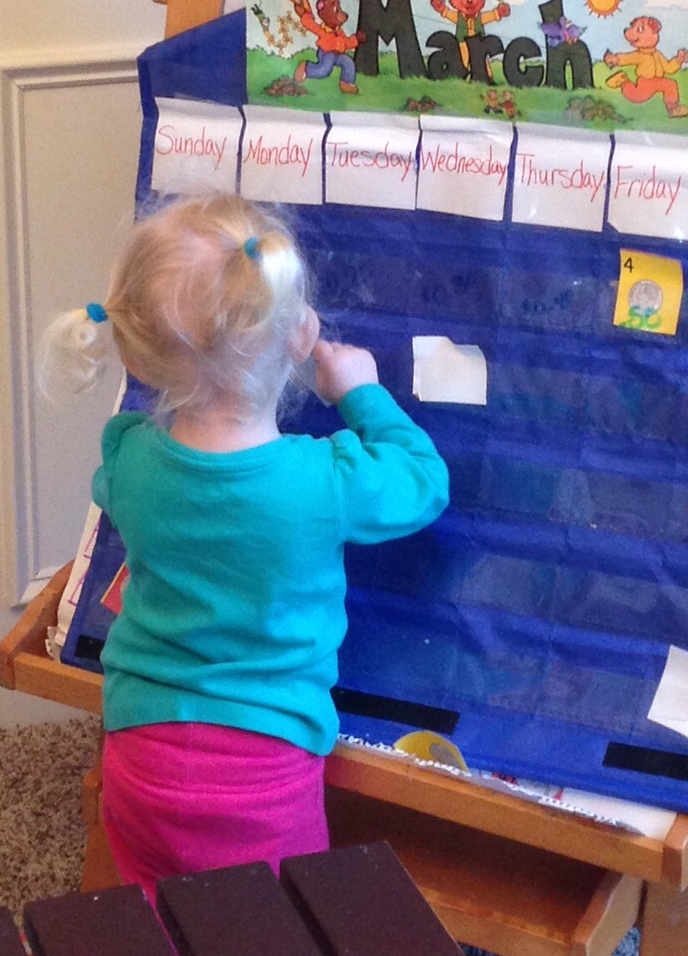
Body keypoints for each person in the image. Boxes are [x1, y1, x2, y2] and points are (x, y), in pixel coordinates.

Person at [41, 193, 449, 902]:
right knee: (268, 924)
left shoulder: (129, 456)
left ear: (133, 351)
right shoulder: (323, 480)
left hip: (138, 750)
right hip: (265, 772)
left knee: (154, 911)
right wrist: (362, 393)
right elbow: (423, 482)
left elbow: (117, 483)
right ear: (298, 339)